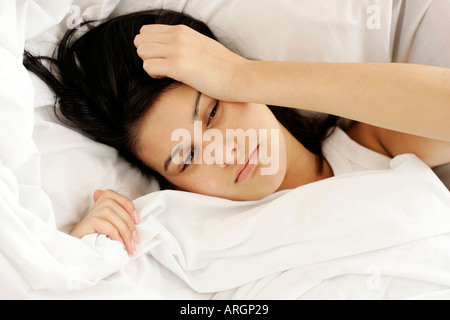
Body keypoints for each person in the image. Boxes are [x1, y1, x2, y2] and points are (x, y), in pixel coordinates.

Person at [24, 9, 450, 255]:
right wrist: (85, 255)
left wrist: (243, 75)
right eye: (187, 157)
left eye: (211, 113)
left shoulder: (369, 144)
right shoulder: (201, 241)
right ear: (175, 185)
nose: (223, 151)